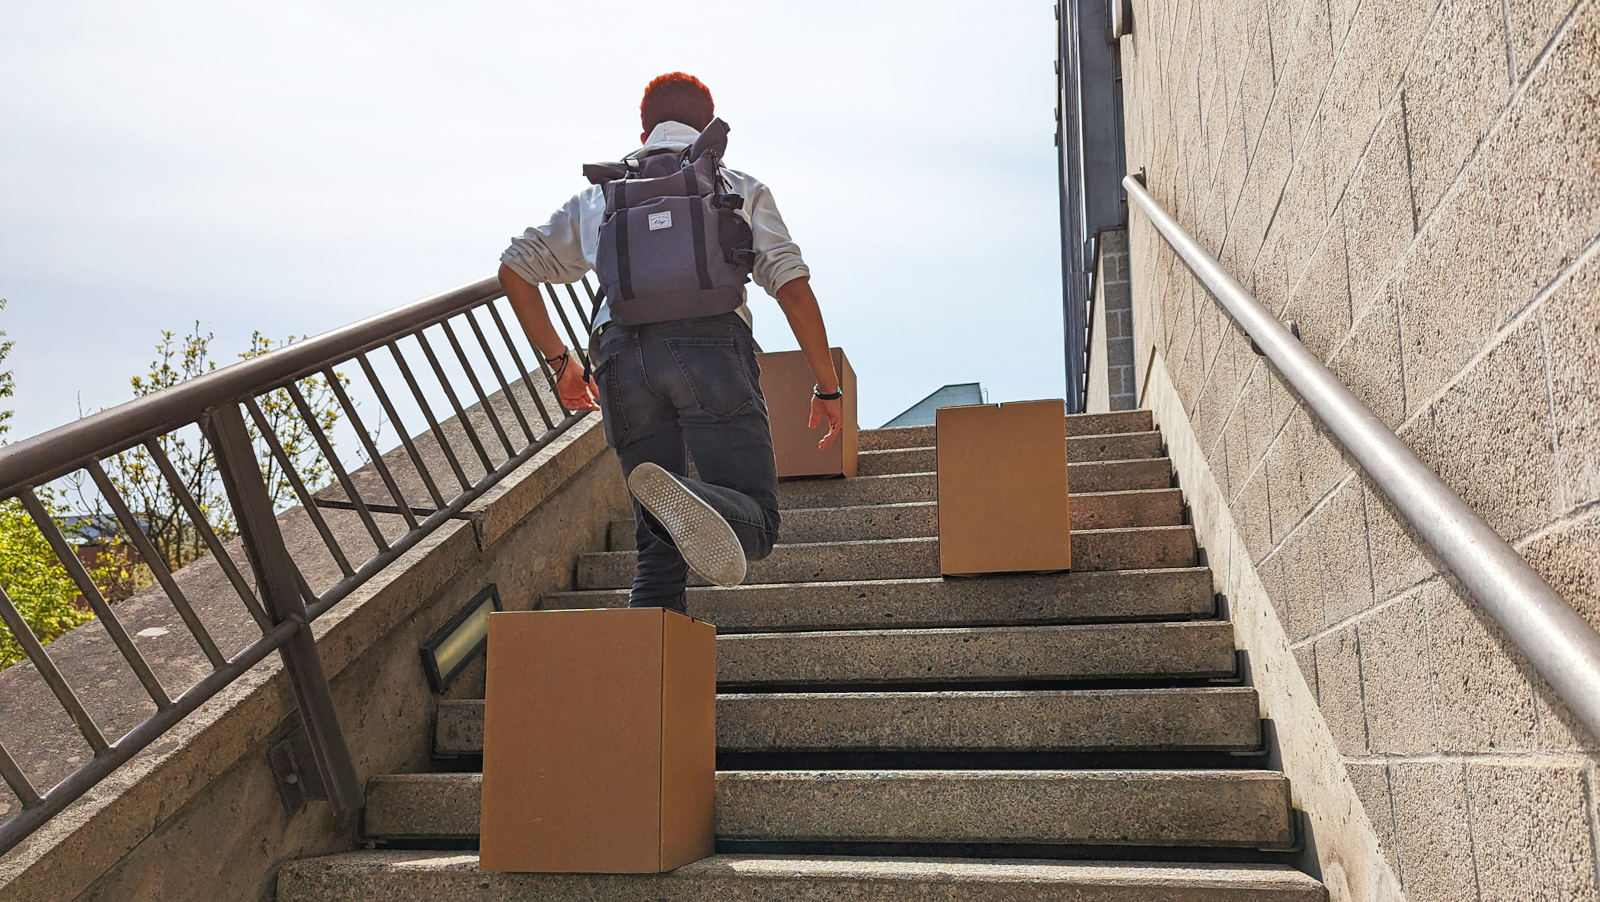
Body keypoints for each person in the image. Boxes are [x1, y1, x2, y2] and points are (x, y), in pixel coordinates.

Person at [498, 72, 844, 612]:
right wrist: (828, 388)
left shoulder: (602, 196)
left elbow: (515, 268)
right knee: (758, 521)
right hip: (712, 351)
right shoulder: (736, 184)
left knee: (656, 553)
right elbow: (793, 290)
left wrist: (561, 361)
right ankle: (694, 499)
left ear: (644, 131)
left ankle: (644, 690)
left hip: (620, 359)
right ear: (707, 126)